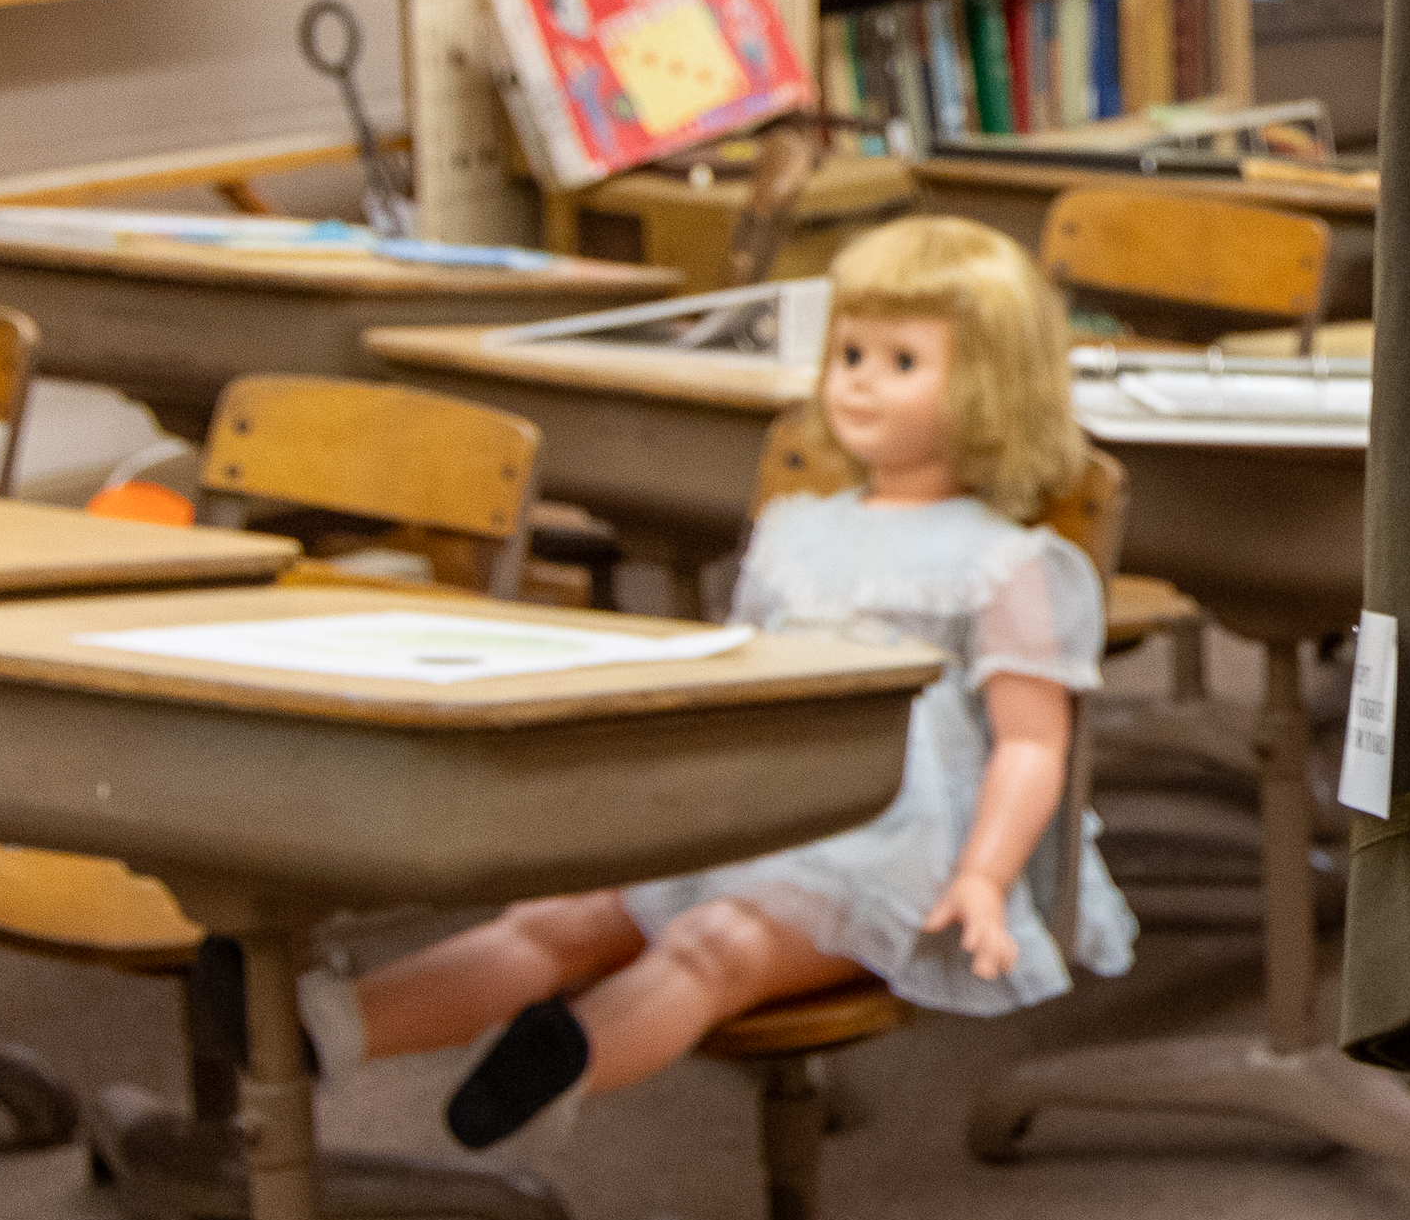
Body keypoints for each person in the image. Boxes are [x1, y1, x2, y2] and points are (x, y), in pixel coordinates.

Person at [323, 219, 1132, 1151]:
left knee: (717, 946)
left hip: (892, 852)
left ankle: (563, 1067)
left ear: (991, 386)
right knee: (561, 918)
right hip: (759, 804)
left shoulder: (1005, 563)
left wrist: (984, 878)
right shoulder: (796, 528)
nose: (859, 381)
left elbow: (1032, 743)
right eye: (850, 354)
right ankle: (336, 1025)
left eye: (901, 362)